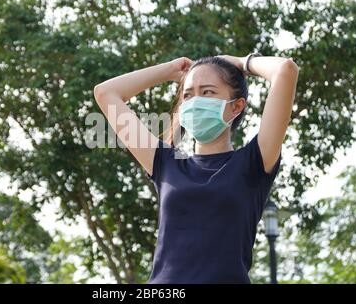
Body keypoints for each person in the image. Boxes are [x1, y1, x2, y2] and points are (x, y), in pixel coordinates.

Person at [93, 53, 299, 283]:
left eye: (208, 92)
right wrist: (171, 70)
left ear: (236, 106)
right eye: (188, 95)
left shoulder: (253, 162)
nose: (195, 102)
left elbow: (285, 70)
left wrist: (242, 63)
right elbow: (106, 93)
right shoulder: (164, 162)